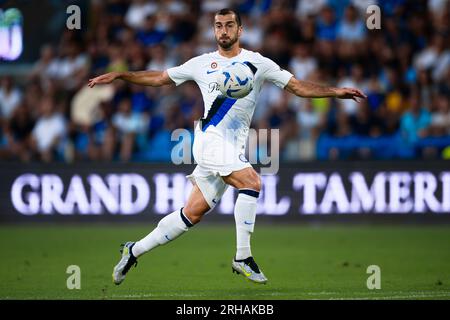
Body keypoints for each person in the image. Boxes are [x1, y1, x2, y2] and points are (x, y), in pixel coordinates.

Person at [88, 8, 366, 285]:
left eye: (229, 25)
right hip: (209, 139)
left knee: (192, 213)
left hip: (233, 146)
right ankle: (242, 256)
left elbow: (297, 87)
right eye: (218, 25)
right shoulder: (201, 63)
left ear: (240, 30)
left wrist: (336, 91)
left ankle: (133, 250)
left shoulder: (259, 63)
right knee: (252, 182)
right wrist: (122, 75)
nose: (223, 30)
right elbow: (159, 78)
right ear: (213, 30)